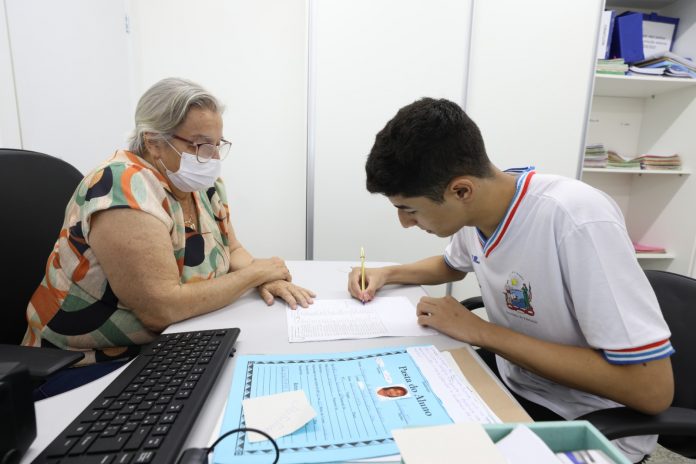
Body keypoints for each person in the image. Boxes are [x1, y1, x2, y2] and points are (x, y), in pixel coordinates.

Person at [348, 98, 674, 463]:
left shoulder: (576, 219)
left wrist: (479, 331)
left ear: (461, 190)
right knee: (381, 420)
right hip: (514, 386)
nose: (405, 223)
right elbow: (450, 265)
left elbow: (651, 389)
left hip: (587, 422)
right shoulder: (480, 211)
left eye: (409, 209)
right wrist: (387, 272)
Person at [23, 77, 314, 398]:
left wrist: (265, 279)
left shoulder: (203, 185)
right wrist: (258, 272)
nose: (212, 157)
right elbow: (162, 308)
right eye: (200, 145)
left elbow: (233, 249)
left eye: (218, 144)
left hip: (179, 343)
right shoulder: (122, 185)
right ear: (153, 141)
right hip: (93, 366)